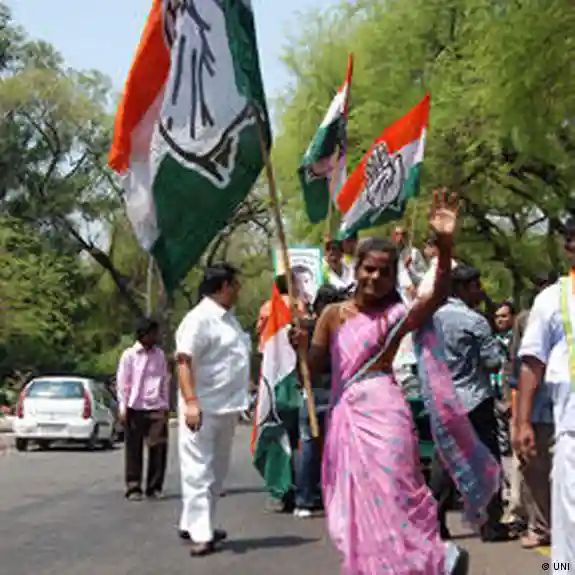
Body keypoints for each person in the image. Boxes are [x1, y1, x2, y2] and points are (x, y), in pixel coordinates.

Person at [291, 191, 499, 574]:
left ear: (392, 277)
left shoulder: (397, 316)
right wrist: (300, 348)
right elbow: (315, 369)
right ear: (357, 269)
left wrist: (445, 245)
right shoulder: (333, 315)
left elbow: (436, 295)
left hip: (387, 414)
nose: (375, 277)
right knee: (359, 502)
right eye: (369, 269)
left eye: (384, 272)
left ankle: (431, 559)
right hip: (347, 419)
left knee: (395, 490)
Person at [431, 265, 515, 542]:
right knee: (488, 460)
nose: (480, 292)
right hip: (474, 399)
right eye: (476, 286)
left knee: (445, 461)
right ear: (462, 289)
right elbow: (492, 363)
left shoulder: (433, 318)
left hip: (444, 399)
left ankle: (435, 522)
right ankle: (491, 524)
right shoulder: (475, 321)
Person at [175, 264, 252, 556]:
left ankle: (193, 522)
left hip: (227, 407)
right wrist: (191, 402)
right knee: (198, 470)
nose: (239, 290)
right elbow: (184, 362)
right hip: (202, 407)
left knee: (217, 471)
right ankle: (202, 534)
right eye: (235, 284)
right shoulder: (198, 320)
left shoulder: (229, 320)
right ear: (223, 287)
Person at [514, 217, 575, 566]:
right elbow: (531, 363)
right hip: (571, 433)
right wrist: (522, 422)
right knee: (570, 532)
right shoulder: (553, 299)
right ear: (570, 248)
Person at [506, 274, 557, 547]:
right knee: (535, 470)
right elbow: (521, 365)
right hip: (539, 407)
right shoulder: (528, 319)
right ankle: (541, 526)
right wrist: (519, 417)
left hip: (560, 407)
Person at [293, 285, 349, 519]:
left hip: (327, 392)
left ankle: (307, 499)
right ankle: (327, 497)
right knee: (331, 447)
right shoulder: (335, 328)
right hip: (322, 391)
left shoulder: (308, 329)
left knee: (312, 446)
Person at [116, 318, 170, 501]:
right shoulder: (129, 355)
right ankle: (134, 487)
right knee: (134, 449)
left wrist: (165, 405)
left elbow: (164, 380)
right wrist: (123, 406)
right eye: (152, 333)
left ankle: (154, 487)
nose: (156, 336)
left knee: (158, 447)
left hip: (156, 406)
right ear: (143, 334)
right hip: (135, 407)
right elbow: (123, 383)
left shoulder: (160, 355)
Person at [392, 225, 428, 300]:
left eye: (403, 234)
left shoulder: (414, 252)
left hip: (416, 290)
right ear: (393, 237)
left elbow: (423, 273)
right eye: (397, 234)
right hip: (398, 292)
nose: (400, 237)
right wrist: (404, 266)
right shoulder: (391, 254)